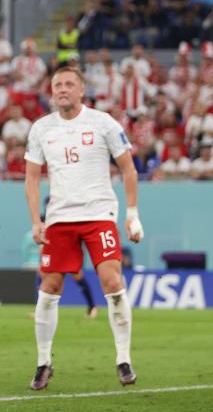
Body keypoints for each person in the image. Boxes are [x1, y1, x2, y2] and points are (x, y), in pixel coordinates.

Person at [24, 66, 144, 391]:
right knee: (49, 288)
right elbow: (32, 177)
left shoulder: (103, 123)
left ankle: (123, 358)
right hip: (60, 218)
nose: (62, 89)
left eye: (69, 84)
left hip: (98, 214)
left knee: (112, 280)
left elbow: (129, 169)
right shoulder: (41, 129)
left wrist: (132, 215)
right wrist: (37, 220)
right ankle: (43, 362)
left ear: (81, 89)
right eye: (57, 85)